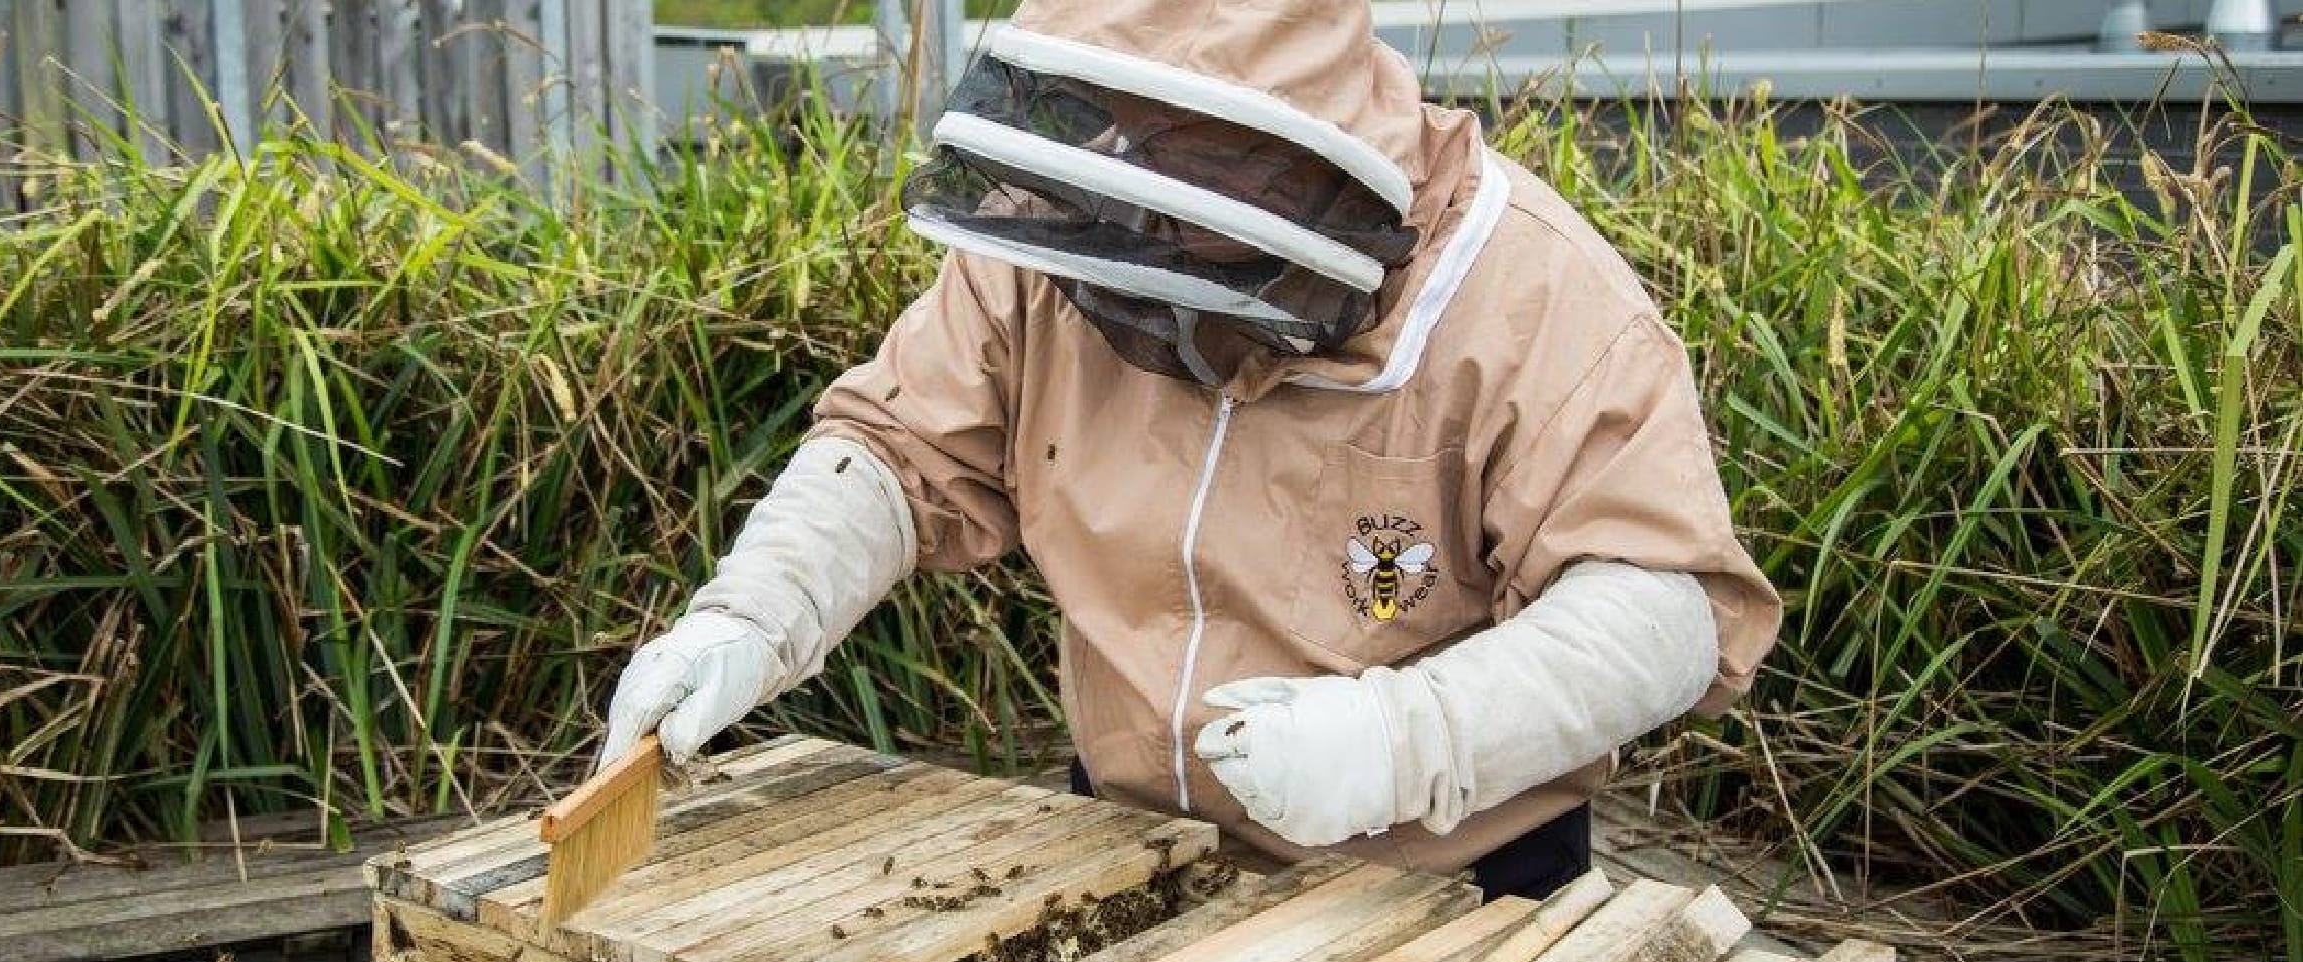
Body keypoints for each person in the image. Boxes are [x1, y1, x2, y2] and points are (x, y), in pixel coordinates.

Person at [595, 0, 1782, 899]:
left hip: (1446, 877)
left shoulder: (1535, 295)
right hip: (1121, 837)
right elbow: (901, 445)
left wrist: (1403, 740)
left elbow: (1659, 604)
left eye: (1195, 156)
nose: (1149, 198)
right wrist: (752, 615)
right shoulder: (1063, 234)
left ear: (1307, 156)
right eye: (1136, 135)